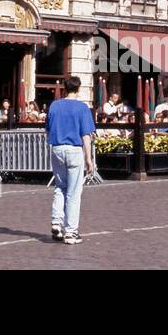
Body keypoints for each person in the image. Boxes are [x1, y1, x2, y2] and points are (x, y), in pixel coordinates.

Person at [46, 75, 95, 245]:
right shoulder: (82, 108)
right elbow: (86, 135)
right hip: (74, 149)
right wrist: (89, 159)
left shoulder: (54, 105)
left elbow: (48, 129)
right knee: (74, 192)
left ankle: (56, 222)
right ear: (78, 88)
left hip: (56, 147)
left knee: (60, 186)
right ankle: (71, 232)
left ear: (65, 88)